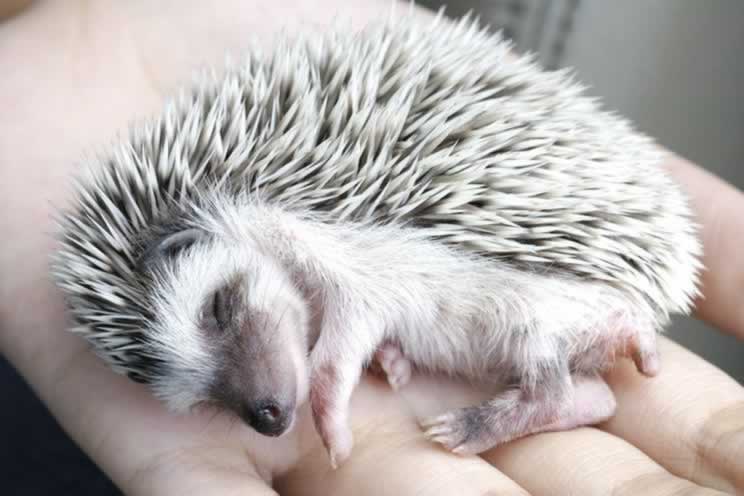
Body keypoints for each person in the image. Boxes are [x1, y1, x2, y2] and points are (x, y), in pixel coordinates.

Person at [1, 1, 742, 494]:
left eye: (223, 313)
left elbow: (360, 292)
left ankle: (558, 383)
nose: (263, 401)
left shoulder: (287, 228)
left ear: (207, 229)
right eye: (212, 397)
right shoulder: (293, 254)